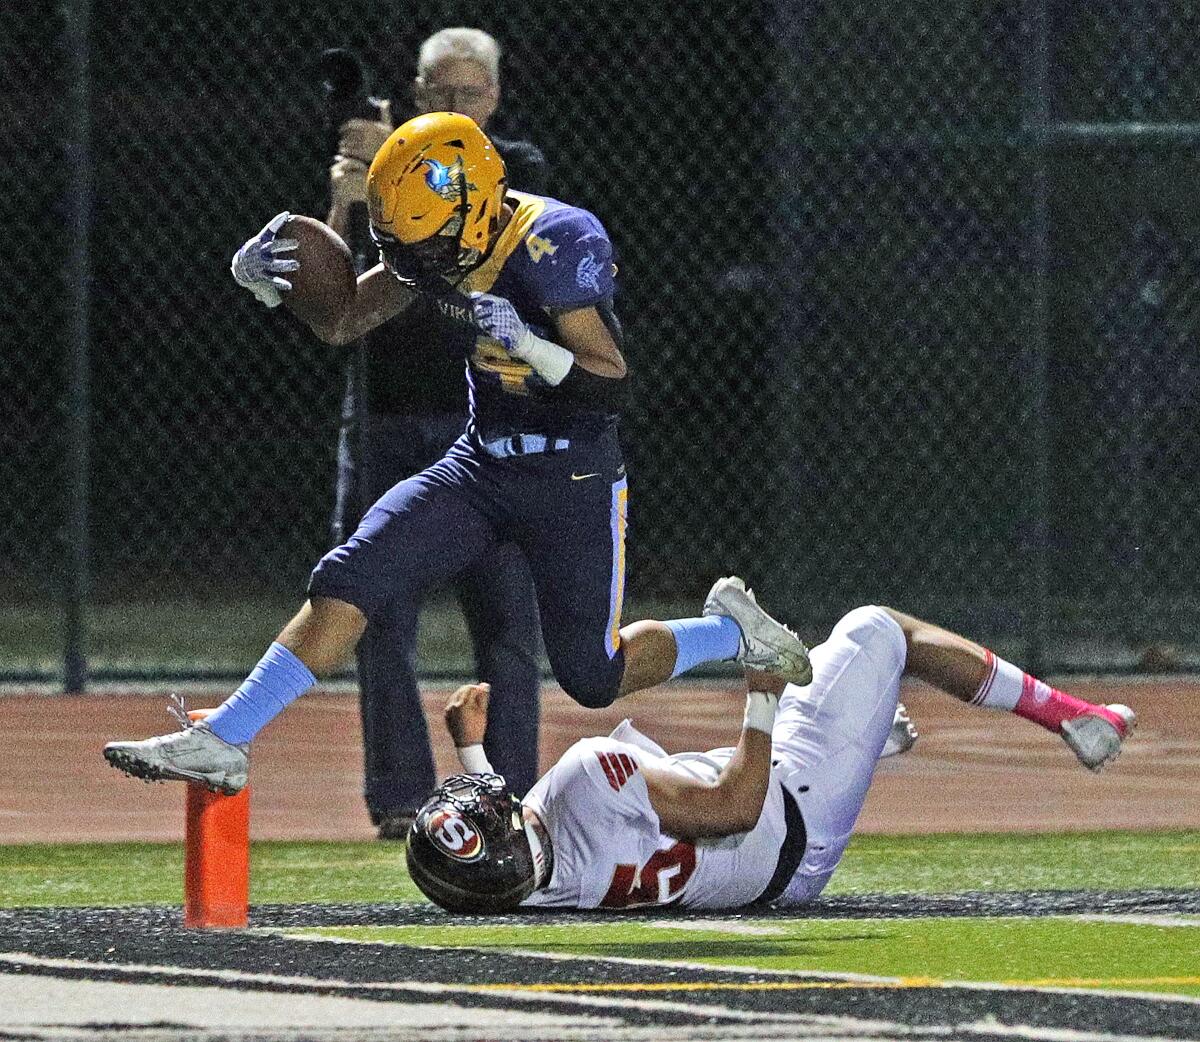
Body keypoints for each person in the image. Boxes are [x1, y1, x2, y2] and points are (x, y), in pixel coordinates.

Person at [101, 109, 814, 795]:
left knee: (592, 675)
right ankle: (225, 738)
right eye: (405, 250)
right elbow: (346, 317)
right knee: (351, 576)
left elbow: (609, 388)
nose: (420, 266)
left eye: (428, 247)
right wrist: (268, 282)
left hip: (571, 469)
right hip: (480, 463)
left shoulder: (554, 241)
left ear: (474, 209)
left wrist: (531, 344)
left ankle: (730, 631)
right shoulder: (435, 236)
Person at [406, 605, 1137, 912]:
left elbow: (527, 828)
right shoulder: (586, 778)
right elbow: (734, 808)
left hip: (763, 876)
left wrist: (469, 745)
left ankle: (868, 733)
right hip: (788, 812)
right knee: (878, 630)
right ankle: (1078, 719)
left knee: (653, 774)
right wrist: (760, 694)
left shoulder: (524, 890)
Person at [324, 28, 549, 838]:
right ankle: (399, 799)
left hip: (490, 425)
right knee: (374, 616)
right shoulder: (386, 178)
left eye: (469, 95)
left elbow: (479, 248)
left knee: (508, 625)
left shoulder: (518, 169)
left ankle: (510, 794)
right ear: (417, 96)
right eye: (437, 96)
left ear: (493, 97)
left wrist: (403, 161)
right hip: (385, 421)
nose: (454, 108)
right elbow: (335, 305)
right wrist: (351, 198)